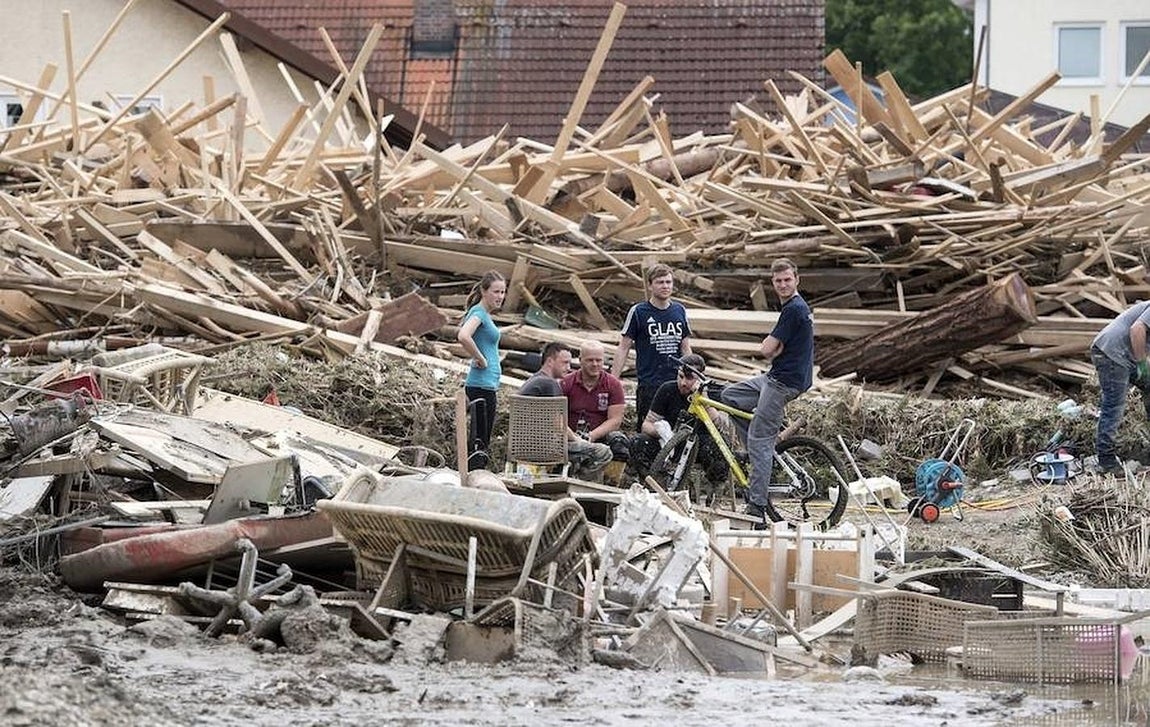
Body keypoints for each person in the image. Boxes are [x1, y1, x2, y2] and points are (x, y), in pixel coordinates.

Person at [721, 259, 814, 527]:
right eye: (778, 281)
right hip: (775, 376)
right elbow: (773, 348)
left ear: (797, 279)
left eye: (787, 279)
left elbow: (765, 349)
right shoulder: (792, 307)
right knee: (729, 397)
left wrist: (772, 346)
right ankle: (755, 448)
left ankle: (757, 508)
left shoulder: (795, 309)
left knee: (760, 440)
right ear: (772, 283)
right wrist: (774, 347)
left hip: (783, 382)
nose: (783, 284)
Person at [627, 353, 729, 496]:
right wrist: (662, 432)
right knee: (638, 442)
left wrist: (703, 397)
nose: (683, 383)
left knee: (719, 448)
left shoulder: (713, 393)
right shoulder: (667, 389)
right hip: (670, 443)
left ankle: (714, 495)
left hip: (700, 444)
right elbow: (647, 425)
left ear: (700, 377)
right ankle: (657, 485)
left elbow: (721, 427)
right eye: (680, 376)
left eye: (689, 378)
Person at [518, 342, 613, 481]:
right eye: (565, 363)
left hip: (523, 445)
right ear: (550, 361)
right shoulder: (549, 384)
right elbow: (559, 425)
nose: (569, 368)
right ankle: (580, 488)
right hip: (544, 448)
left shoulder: (534, 380)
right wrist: (579, 440)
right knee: (603, 452)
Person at [613, 264, 693, 425]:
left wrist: (694, 374)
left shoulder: (679, 311)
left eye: (668, 282)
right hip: (650, 383)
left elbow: (685, 347)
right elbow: (624, 347)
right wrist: (613, 380)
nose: (665, 286)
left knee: (680, 428)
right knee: (649, 429)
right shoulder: (638, 312)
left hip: (677, 382)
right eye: (660, 282)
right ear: (650, 285)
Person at [1090, 301, 1150, 474]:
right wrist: (1142, 364)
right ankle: (1106, 461)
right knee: (1114, 405)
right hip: (1112, 353)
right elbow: (1137, 329)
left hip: (1123, 354)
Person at [456, 270, 506, 470]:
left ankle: (476, 472)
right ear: (484, 291)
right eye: (496, 292)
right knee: (479, 441)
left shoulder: (485, 315)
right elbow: (463, 336)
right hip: (480, 386)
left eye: (503, 292)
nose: (500, 297)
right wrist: (480, 358)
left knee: (483, 438)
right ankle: (473, 475)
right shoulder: (478, 313)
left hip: (488, 385)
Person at [561, 340, 630, 462]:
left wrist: (591, 436)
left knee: (619, 442)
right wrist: (573, 438)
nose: (595, 364)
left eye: (599, 360)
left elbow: (615, 420)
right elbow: (558, 417)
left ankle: (611, 480)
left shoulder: (613, 384)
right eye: (590, 360)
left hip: (599, 436)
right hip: (569, 437)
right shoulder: (566, 383)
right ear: (580, 360)